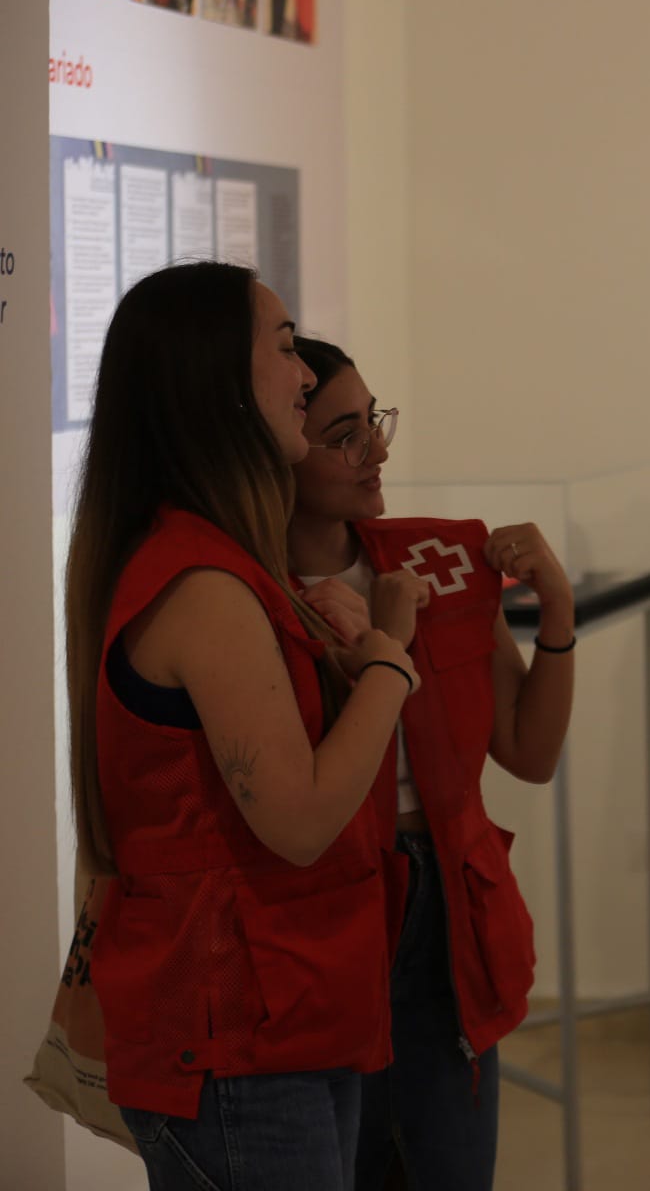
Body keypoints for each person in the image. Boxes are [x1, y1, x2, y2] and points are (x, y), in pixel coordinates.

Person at [67, 262, 419, 1189]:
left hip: (284, 1016)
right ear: (217, 378)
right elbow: (299, 820)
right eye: (283, 345)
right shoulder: (204, 586)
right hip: (237, 1041)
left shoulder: (223, 563)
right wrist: (390, 661)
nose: (305, 374)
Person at [288, 336, 575, 1190]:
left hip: (451, 905)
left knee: (450, 1168)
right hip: (328, 913)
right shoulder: (243, 592)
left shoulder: (437, 558)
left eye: (373, 421)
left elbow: (529, 751)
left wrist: (555, 609)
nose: (376, 448)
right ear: (275, 440)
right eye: (344, 433)